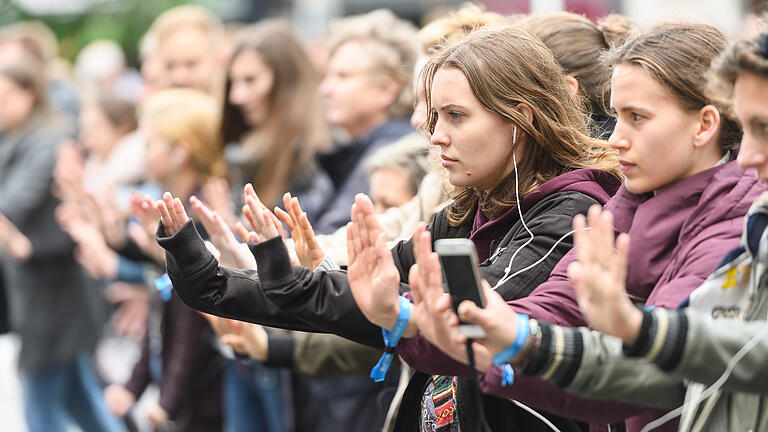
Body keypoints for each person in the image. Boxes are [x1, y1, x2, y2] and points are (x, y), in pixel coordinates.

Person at [153, 24, 622, 431]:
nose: (436, 134)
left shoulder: (572, 213)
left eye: (456, 116)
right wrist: (202, 273)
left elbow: (464, 323)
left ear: (521, 117)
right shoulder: (466, 210)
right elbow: (347, 291)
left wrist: (338, 290)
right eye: (436, 115)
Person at [393, 22, 764, 432]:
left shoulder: (733, 220)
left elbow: (656, 373)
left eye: (637, 117)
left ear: (705, 125)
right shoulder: (629, 206)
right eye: (617, 116)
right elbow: (559, 306)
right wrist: (497, 335)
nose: (617, 138)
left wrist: (515, 341)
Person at [0, 58, 122, 432]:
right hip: (39, 290)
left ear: (30, 93)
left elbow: (13, 201)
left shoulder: (49, 138)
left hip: (56, 290)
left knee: (42, 408)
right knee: (78, 401)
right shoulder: (18, 135)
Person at [102, 89, 226, 432]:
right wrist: (136, 385)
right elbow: (163, 300)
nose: (142, 155)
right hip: (183, 387)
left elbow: (192, 321)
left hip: (205, 393)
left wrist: (167, 401)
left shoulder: (198, 214)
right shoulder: (173, 206)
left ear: (180, 153)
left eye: (149, 144)